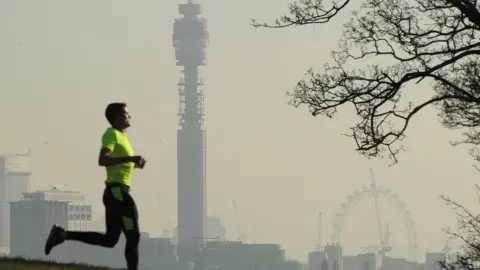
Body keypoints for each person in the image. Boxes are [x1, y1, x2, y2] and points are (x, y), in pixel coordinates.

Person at [44, 102, 146, 270]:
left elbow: (117, 164)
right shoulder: (111, 134)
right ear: (117, 117)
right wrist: (131, 159)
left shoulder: (121, 136)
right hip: (117, 193)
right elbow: (103, 160)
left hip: (116, 193)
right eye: (126, 113)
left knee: (110, 240)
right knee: (133, 236)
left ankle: (61, 235)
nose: (129, 116)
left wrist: (135, 164)